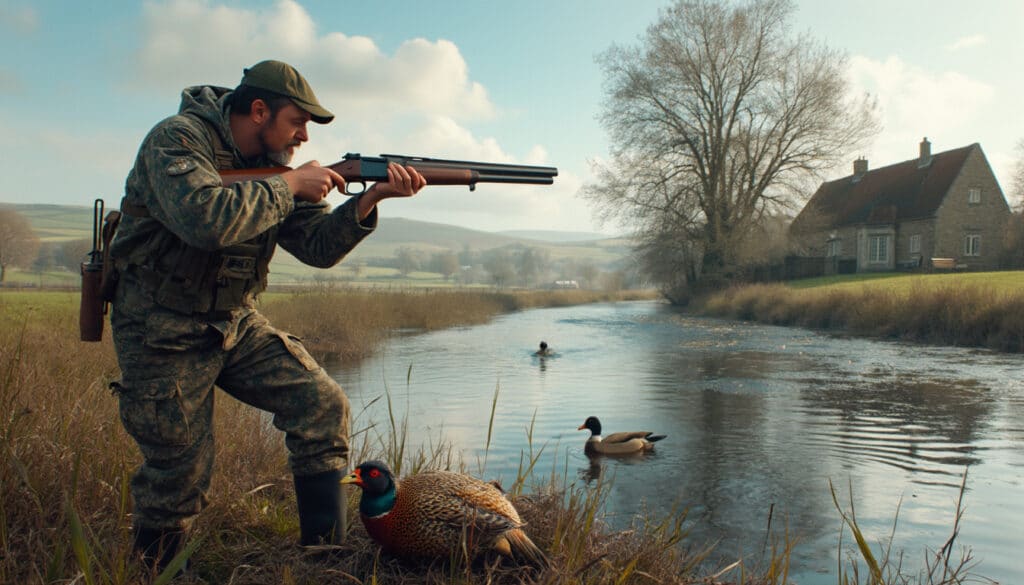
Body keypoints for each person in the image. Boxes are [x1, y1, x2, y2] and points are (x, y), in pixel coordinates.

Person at [107, 60, 426, 571]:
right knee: (177, 471)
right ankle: (156, 573)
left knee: (323, 405)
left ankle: (324, 557)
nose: (304, 137)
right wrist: (290, 187)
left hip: (233, 322)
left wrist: (370, 200)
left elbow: (319, 247)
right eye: (297, 122)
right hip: (160, 329)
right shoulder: (176, 140)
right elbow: (204, 219)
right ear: (259, 110)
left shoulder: (281, 171)